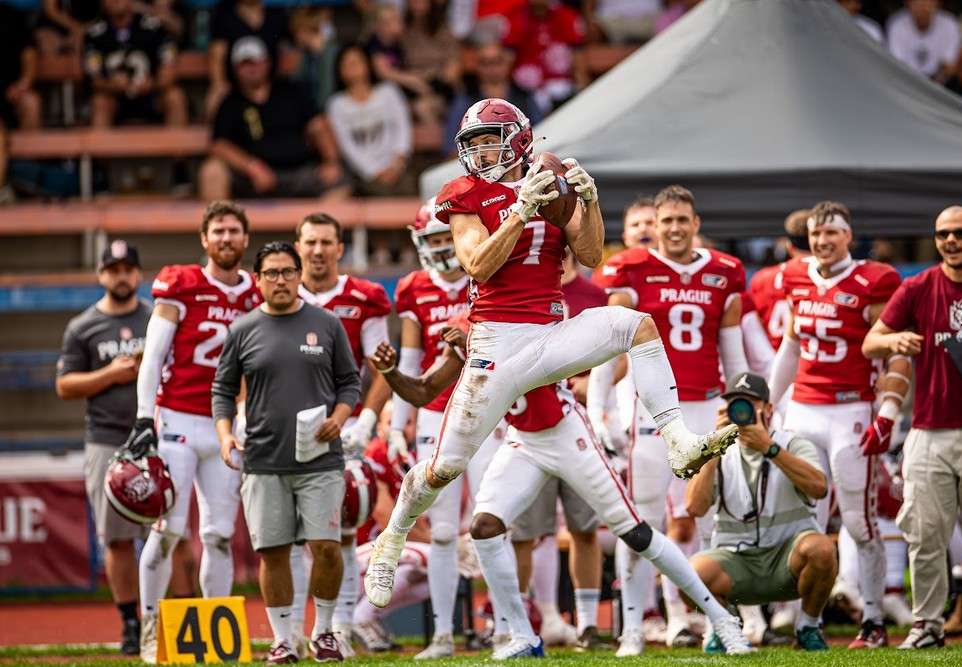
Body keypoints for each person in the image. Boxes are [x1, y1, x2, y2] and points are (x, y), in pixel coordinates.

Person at [363, 98, 741, 622]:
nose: (481, 152)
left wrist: (587, 201)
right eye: (473, 143)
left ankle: (677, 440)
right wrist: (520, 210)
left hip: (552, 331)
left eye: (489, 140)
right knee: (445, 467)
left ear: (517, 139)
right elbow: (478, 264)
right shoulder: (463, 194)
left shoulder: (551, 177)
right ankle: (394, 533)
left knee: (638, 326)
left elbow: (589, 255)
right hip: (497, 341)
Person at [368, 322, 754, 657]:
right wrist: (390, 372)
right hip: (522, 439)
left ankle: (722, 620)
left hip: (566, 432)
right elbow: (423, 392)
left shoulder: (535, 315)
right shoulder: (476, 328)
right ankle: (521, 634)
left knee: (634, 531)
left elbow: (531, 367)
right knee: (484, 527)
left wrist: (475, 344)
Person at [588, 184, 750, 656]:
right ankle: (634, 627)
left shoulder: (724, 272)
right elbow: (606, 347)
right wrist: (602, 409)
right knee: (641, 520)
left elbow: (732, 349)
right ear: (653, 227)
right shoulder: (631, 269)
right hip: (651, 413)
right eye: (667, 221)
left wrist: (738, 401)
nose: (675, 228)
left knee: (711, 520)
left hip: (705, 405)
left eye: (683, 220)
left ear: (696, 224)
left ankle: (715, 621)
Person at [862, 205, 962, 649]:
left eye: (959, 233)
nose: (950, 241)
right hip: (928, 430)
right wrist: (894, 340)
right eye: (941, 234)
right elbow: (870, 340)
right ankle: (926, 624)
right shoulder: (918, 286)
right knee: (925, 532)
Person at [767, 200, 909, 649]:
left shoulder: (875, 280)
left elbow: (895, 350)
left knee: (858, 519)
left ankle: (872, 619)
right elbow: (791, 345)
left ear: (849, 236)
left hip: (851, 407)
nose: (823, 242)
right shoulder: (793, 276)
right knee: (802, 520)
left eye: (832, 233)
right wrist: (769, 402)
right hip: (804, 408)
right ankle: (806, 620)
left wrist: (888, 412)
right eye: (816, 235)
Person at [213, 241, 362, 663]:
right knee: (273, 551)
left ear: (299, 276)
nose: (280, 280)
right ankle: (282, 639)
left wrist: (341, 415)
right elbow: (222, 390)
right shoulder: (242, 330)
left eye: (287, 272)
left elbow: (350, 381)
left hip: (321, 458)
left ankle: (325, 632)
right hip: (262, 459)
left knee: (327, 546)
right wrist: (226, 436)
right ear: (257, 280)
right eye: (271, 273)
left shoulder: (327, 324)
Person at [128, 200, 262, 663]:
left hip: (227, 424)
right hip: (179, 420)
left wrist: (247, 417)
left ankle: (213, 632)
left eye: (234, 231)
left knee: (219, 535)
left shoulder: (257, 293)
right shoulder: (181, 284)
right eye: (218, 231)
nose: (226, 238)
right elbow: (153, 355)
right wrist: (146, 416)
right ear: (204, 240)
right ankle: (149, 627)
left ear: (246, 240)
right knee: (167, 531)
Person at [390, 200, 503, 658]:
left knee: (492, 521)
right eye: (433, 241)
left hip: (489, 407)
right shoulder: (415, 288)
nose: (441, 251)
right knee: (440, 530)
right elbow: (411, 361)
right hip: (437, 414)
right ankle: (441, 634)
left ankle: (504, 624)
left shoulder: (489, 273)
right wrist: (398, 423)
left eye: (446, 239)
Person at [290, 212, 392, 657]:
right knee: (290, 534)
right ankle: (291, 630)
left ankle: (340, 629)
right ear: (298, 246)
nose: (316, 250)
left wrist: (367, 419)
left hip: (342, 421)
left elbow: (381, 364)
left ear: (338, 247)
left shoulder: (362, 296)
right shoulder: (279, 290)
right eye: (309, 242)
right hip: (285, 424)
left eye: (325, 242)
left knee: (343, 529)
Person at [685, 372, 834, 652]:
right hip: (738, 562)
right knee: (691, 572)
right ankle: (724, 628)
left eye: (749, 403)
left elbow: (819, 488)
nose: (741, 411)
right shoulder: (716, 451)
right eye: (735, 403)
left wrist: (770, 449)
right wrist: (711, 454)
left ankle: (808, 627)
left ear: (768, 409)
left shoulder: (792, 443)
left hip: (786, 561)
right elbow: (694, 507)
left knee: (822, 549)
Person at [55, 241, 151, 655]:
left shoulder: (157, 318)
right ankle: (131, 622)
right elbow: (64, 385)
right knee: (117, 539)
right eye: (113, 269)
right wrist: (110, 373)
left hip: (157, 439)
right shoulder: (83, 326)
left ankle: (174, 617)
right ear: (100, 275)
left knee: (170, 534)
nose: (121, 275)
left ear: (139, 274)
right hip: (107, 439)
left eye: (128, 268)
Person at [509, 249, 606, 651]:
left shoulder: (596, 296)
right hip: (533, 424)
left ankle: (586, 623)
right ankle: (518, 622)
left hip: (580, 425)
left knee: (584, 528)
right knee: (525, 533)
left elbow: (613, 352)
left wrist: (595, 382)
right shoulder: (521, 292)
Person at [201, 37, 346, 200]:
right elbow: (219, 145)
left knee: (339, 181)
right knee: (212, 170)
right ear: (235, 68)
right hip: (251, 179)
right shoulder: (229, 103)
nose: (252, 68)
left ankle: (316, 226)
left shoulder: (292, 91)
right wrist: (252, 167)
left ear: (267, 62)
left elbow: (318, 126)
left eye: (257, 61)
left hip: (298, 171)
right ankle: (222, 225)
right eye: (245, 63)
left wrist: (331, 162)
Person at [325, 44, 414, 197]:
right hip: (363, 174)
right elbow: (347, 146)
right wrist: (374, 172)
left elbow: (403, 129)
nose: (352, 67)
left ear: (367, 64)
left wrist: (396, 165)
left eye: (356, 61)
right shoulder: (336, 105)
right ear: (339, 70)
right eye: (347, 64)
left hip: (399, 168)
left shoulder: (389, 92)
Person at [84, 0, 186, 128]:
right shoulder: (94, 34)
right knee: (100, 102)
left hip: (151, 96)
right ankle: (99, 147)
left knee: (175, 97)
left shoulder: (154, 27)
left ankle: (177, 148)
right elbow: (94, 80)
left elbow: (168, 69)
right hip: (115, 99)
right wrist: (112, 85)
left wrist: (152, 83)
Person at [444, 41, 543, 155]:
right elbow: (451, 145)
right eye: (485, 63)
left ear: (507, 64)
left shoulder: (525, 97)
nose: (492, 68)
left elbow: (541, 134)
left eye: (497, 62)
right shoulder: (466, 99)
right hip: (480, 163)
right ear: (477, 66)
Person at [207, 0, 289, 118]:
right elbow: (216, 56)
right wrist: (218, 84)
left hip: (269, 86)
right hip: (235, 89)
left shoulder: (276, 12)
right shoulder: (224, 13)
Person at [503, 0, 588, 112]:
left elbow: (578, 58)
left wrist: (582, 90)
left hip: (561, 86)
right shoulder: (516, 17)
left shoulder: (567, 16)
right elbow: (508, 59)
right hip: (526, 88)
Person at [748, 209, 811, 351]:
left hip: (771, 360)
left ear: (789, 247)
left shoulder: (762, 278)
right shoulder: (829, 280)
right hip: (811, 363)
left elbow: (750, 327)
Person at [0, 3, 41, 202]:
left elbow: (30, 54)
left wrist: (24, 83)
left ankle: (25, 179)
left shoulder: (11, 16)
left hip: (11, 94)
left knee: (31, 102)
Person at [886, 0, 962, 81]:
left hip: (937, 82)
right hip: (905, 78)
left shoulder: (950, 24)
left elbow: (949, 67)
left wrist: (932, 87)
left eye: (928, 1)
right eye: (917, 2)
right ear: (907, 3)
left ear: (938, 3)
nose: (923, 6)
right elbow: (895, 65)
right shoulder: (896, 24)